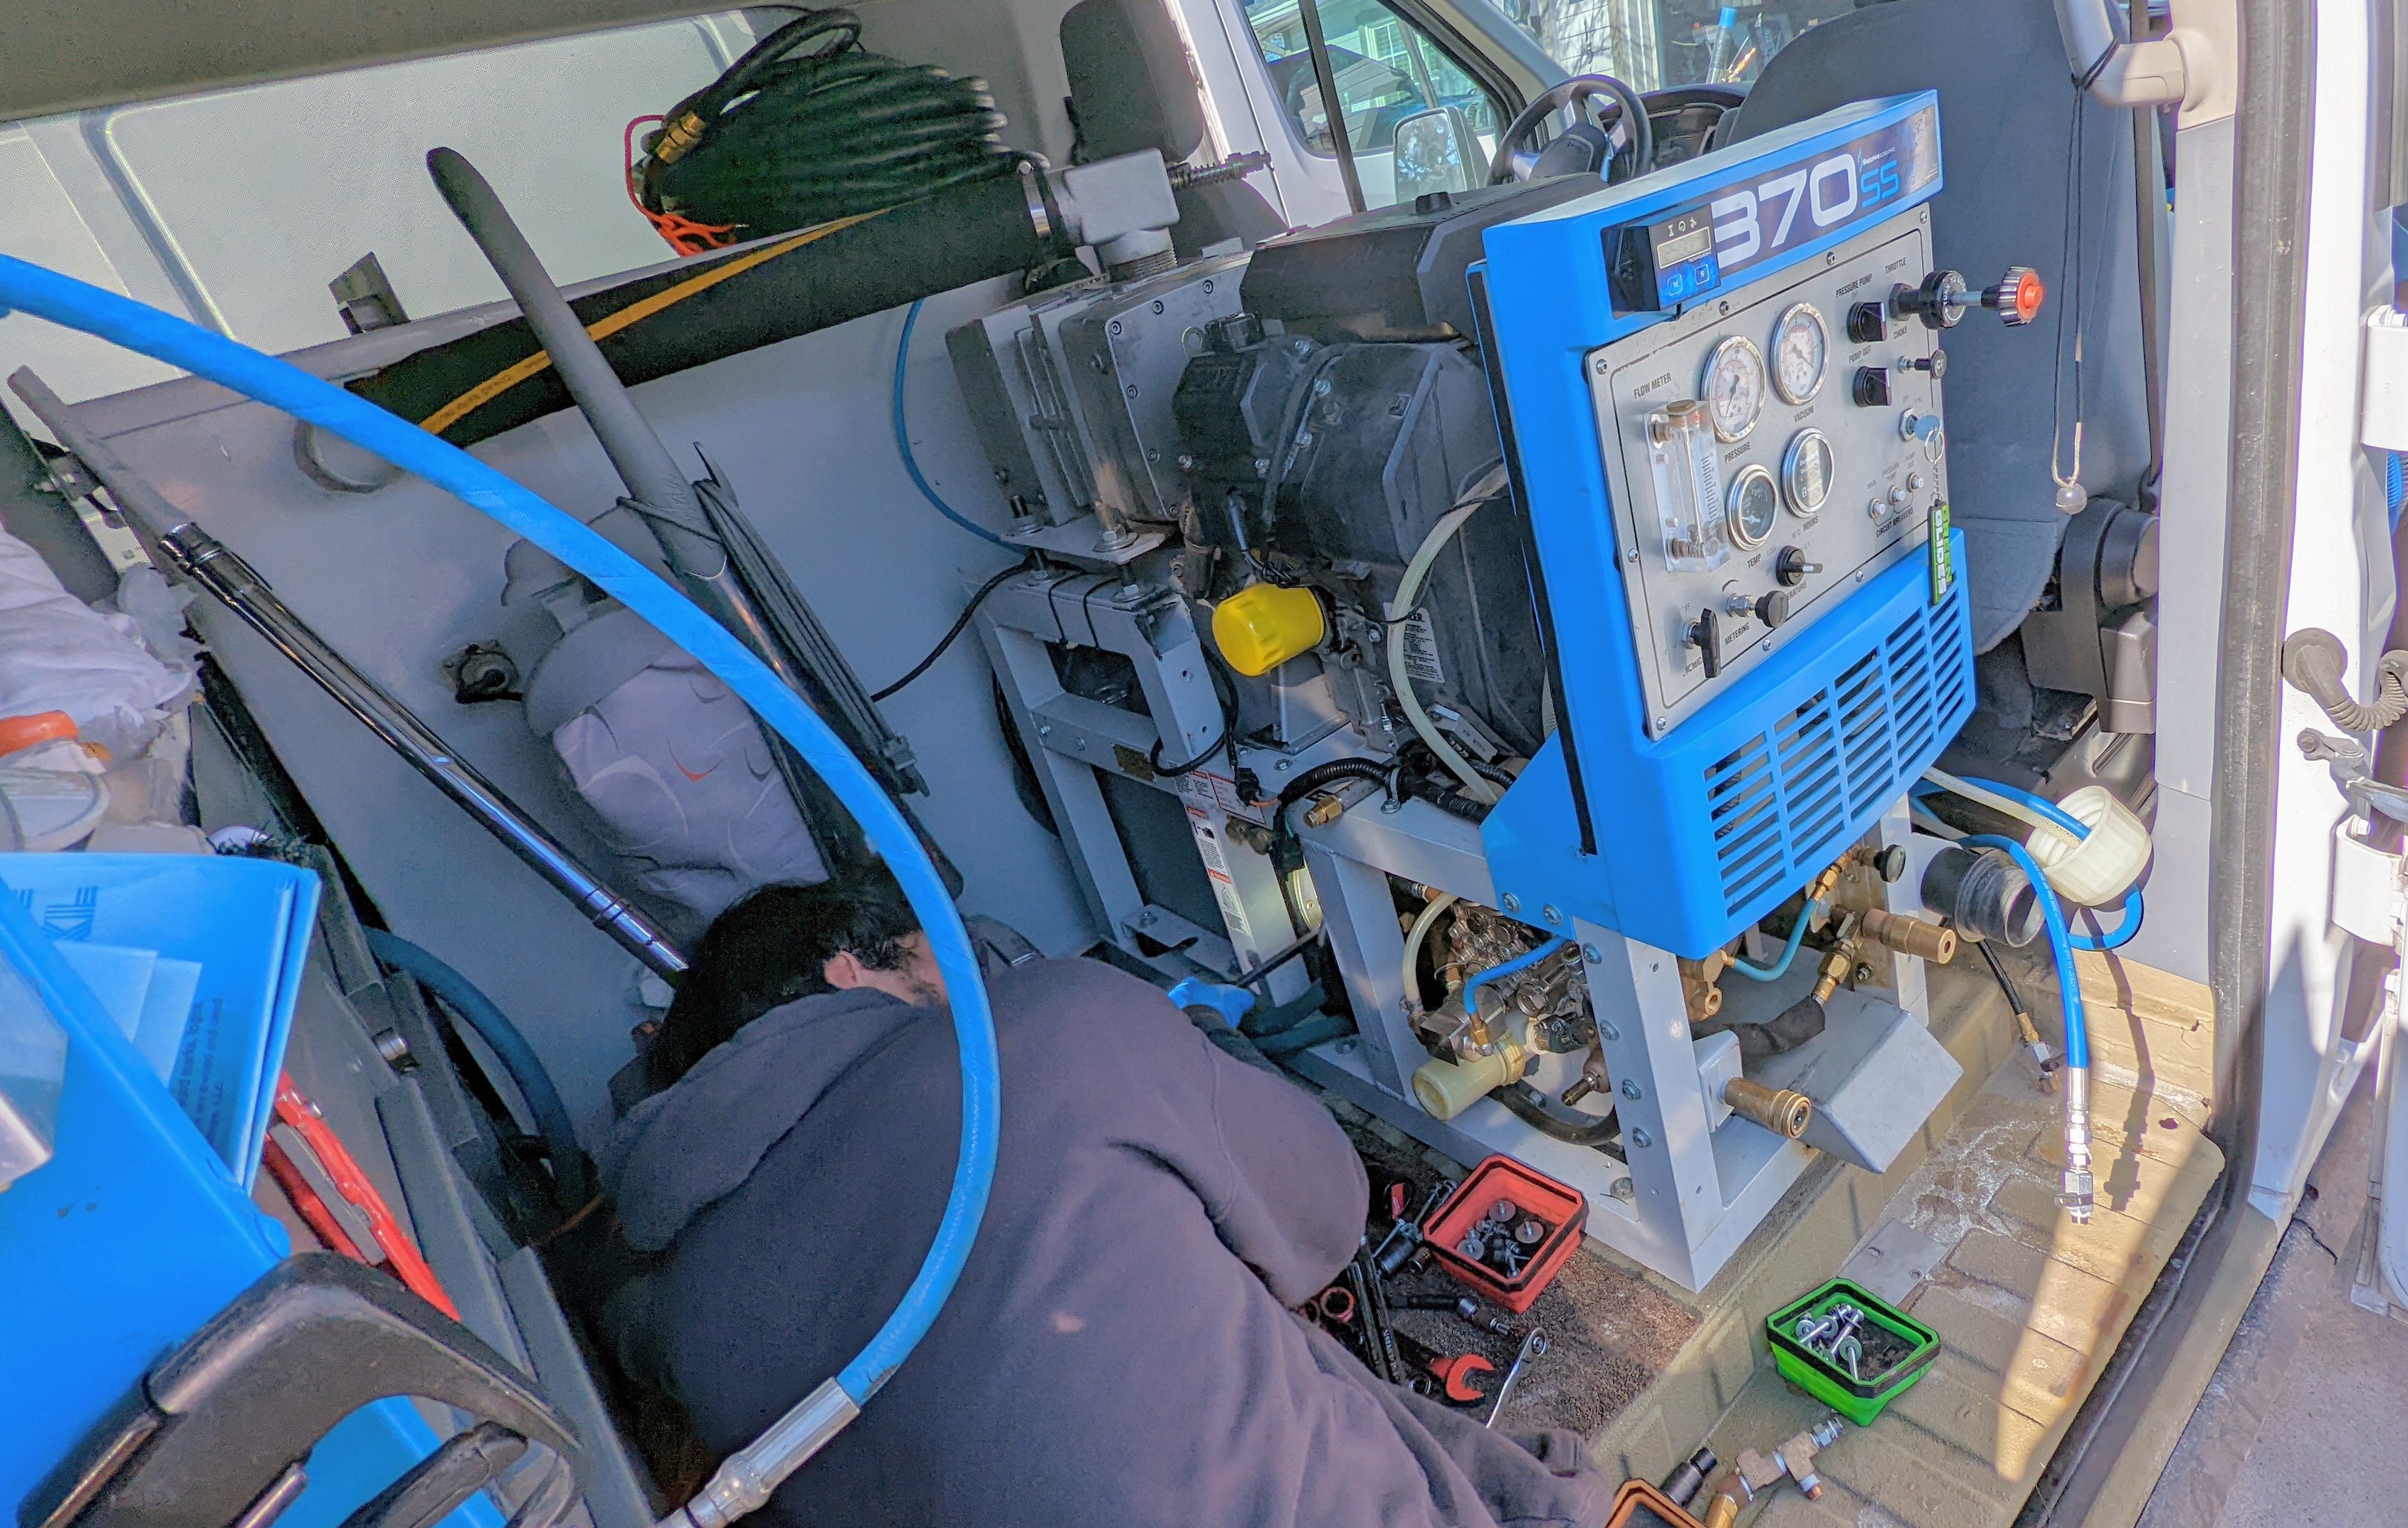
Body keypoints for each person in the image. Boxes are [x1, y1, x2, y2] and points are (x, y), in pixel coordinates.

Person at [601, 868, 1613, 1528]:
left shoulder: (685, 1318)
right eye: (930, 949)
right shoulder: (1041, 1025)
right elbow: (1326, 1217)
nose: (966, 971)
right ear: (848, 970)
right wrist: (1195, 1045)